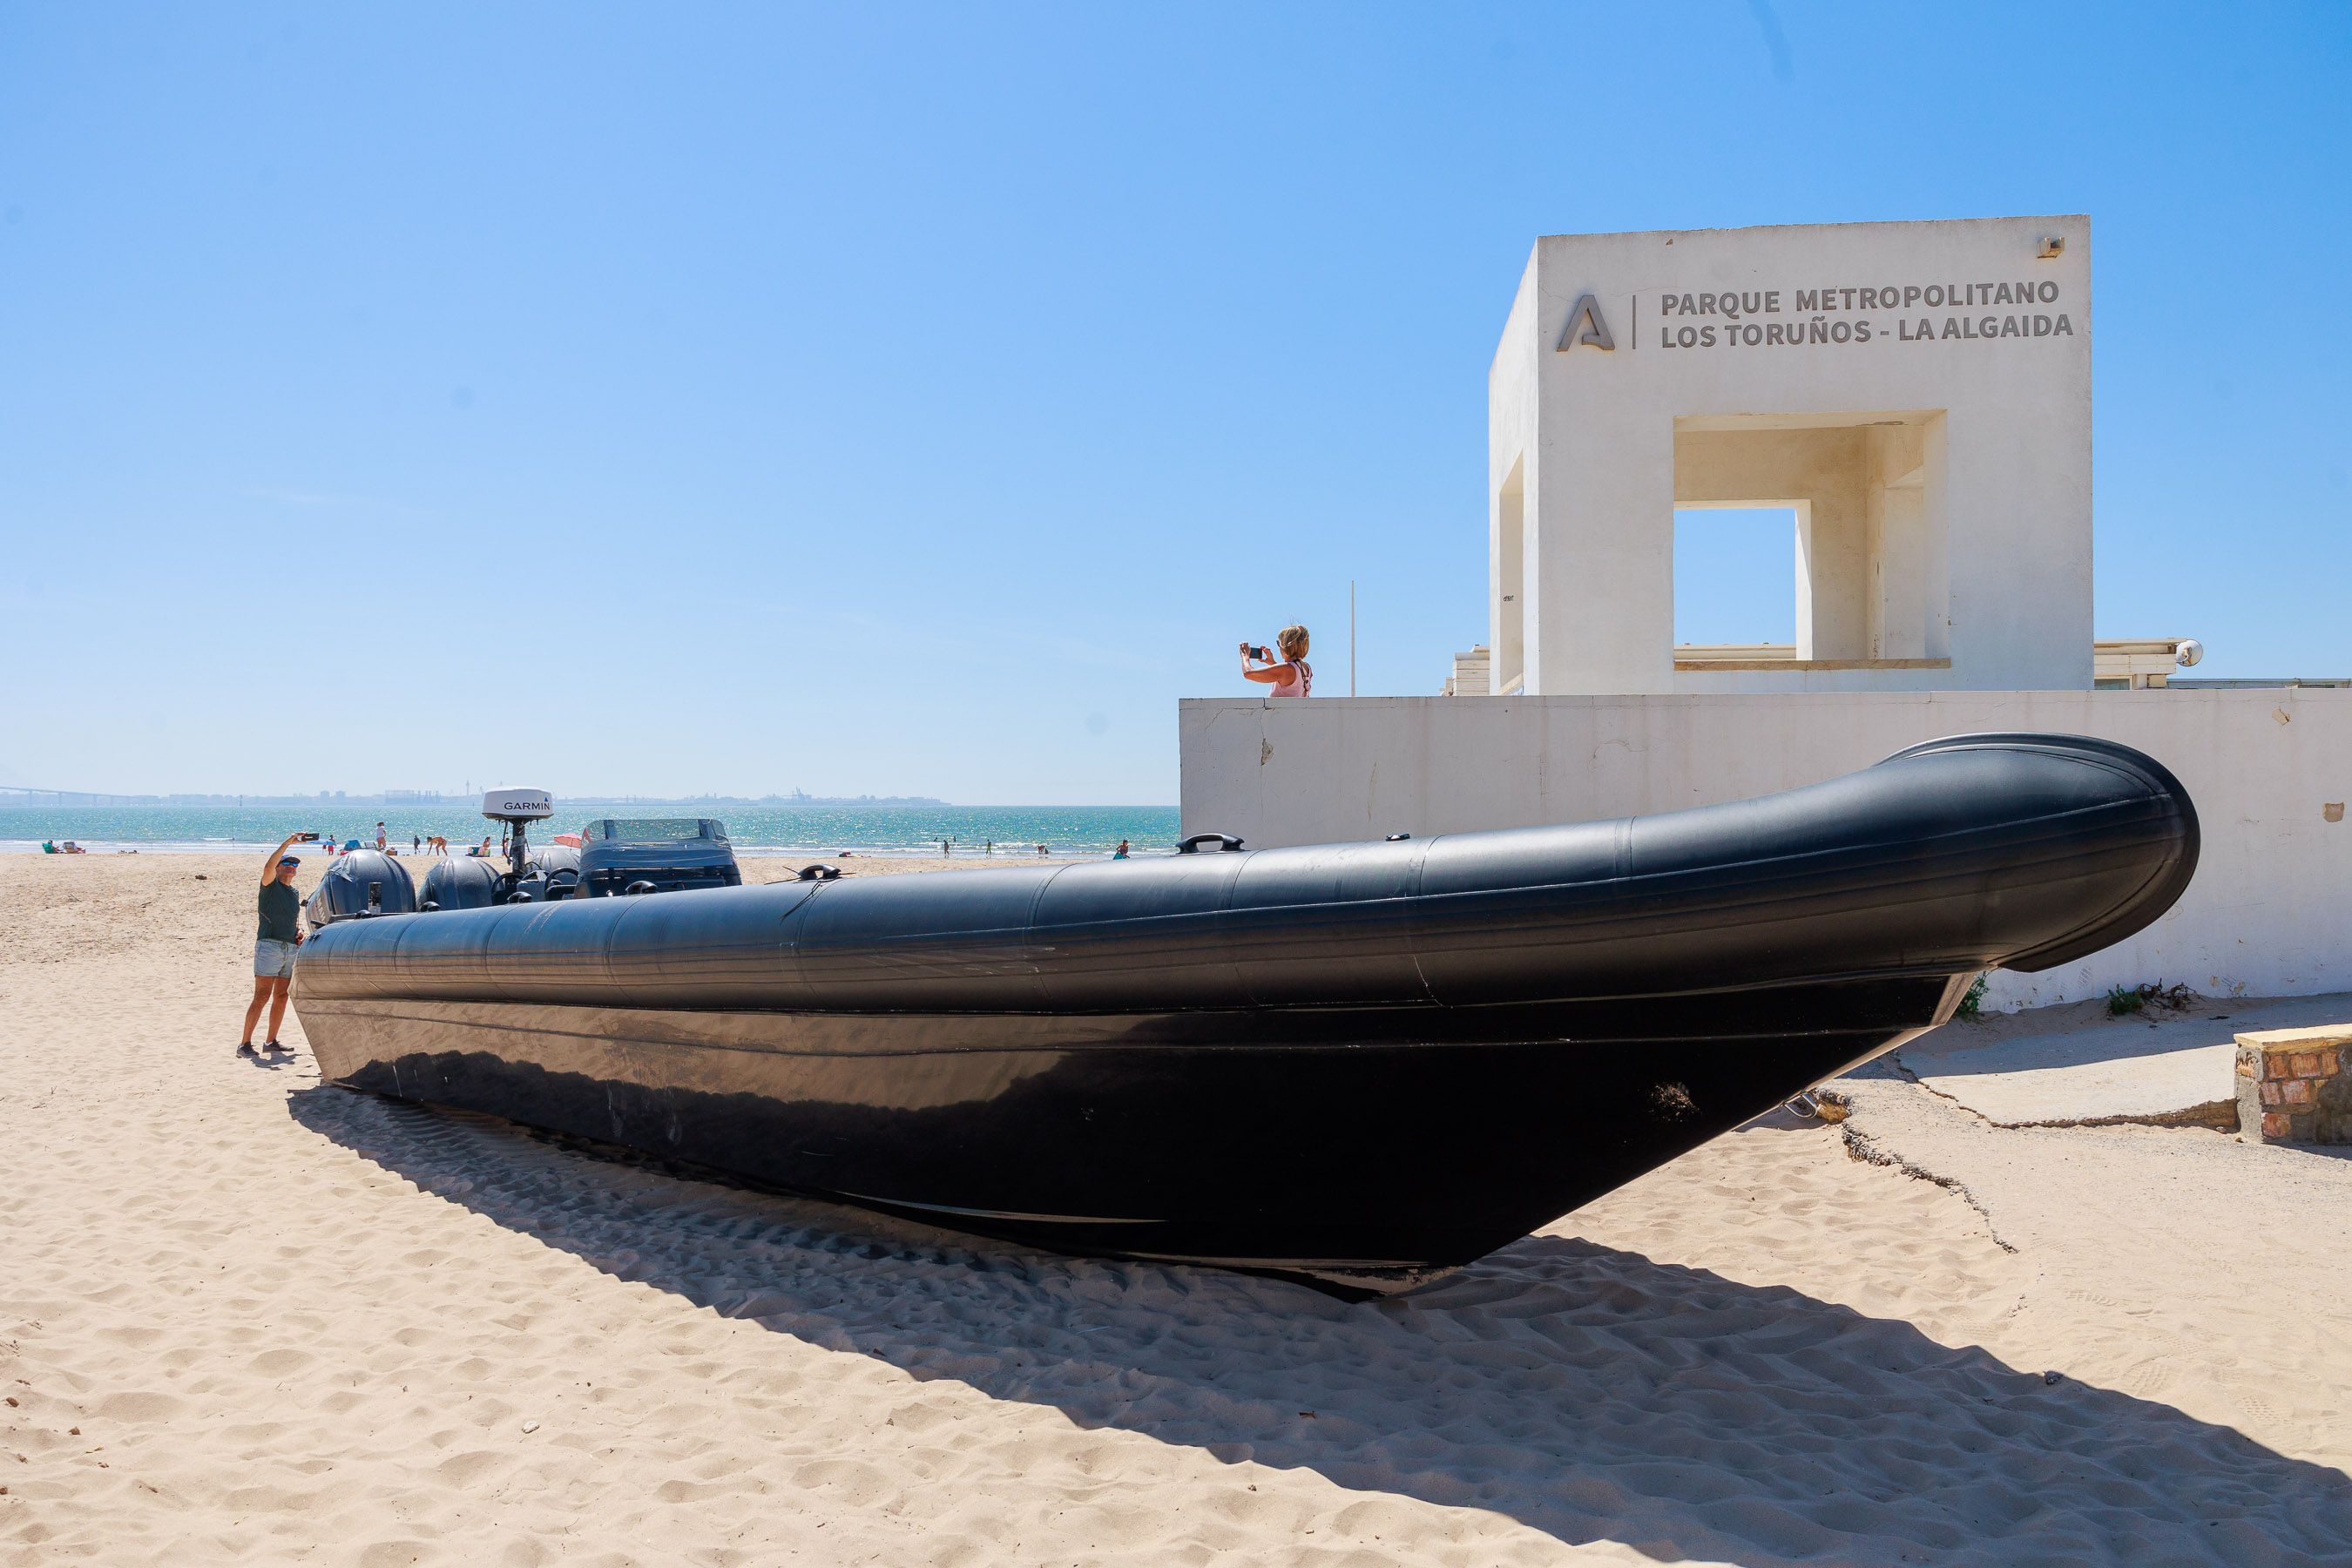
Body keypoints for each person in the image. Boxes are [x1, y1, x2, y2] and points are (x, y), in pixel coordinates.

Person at [241, 833, 312, 1057]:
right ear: (279, 868)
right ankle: (244, 1044)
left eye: (294, 864)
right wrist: (286, 844)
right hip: (269, 946)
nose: (292, 867)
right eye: (287, 863)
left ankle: (271, 1041)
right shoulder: (270, 885)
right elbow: (268, 865)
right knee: (262, 996)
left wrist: (298, 932)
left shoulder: (294, 892)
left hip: (290, 947)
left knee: (282, 996)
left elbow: (290, 918)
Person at [1240, 624, 1314, 697]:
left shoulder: (1287, 669)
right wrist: (1273, 663)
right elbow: (1289, 680)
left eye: (1279, 643)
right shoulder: (1306, 668)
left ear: (1285, 646)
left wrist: (1245, 655)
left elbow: (1248, 673)